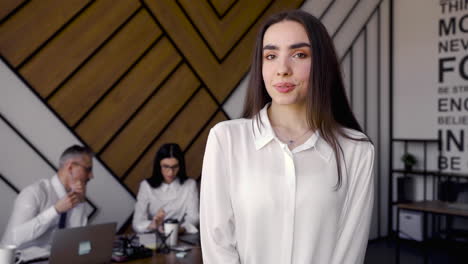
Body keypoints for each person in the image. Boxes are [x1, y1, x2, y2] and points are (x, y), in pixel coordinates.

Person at [200, 10, 375, 264]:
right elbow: (218, 245)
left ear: (322, 63)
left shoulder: (356, 150)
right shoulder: (226, 139)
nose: (282, 69)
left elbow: (349, 251)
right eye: (271, 56)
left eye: (299, 54)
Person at [1, 145, 94, 252]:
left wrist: (81, 203)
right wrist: (55, 210)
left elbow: (78, 240)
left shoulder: (75, 195)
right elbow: (15, 237)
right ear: (70, 167)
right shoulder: (34, 192)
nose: (91, 176)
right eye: (88, 169)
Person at [132, 143, 199, 234]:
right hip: (154, 238)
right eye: (166, 166)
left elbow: (194, 217)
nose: (170, 172)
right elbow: (137, 223)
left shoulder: (190, 185)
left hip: (181, 236)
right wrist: (154, 224)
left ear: (181, 166)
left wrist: (178, 229)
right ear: (158, 166)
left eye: (175, 167)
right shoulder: (146, 186)